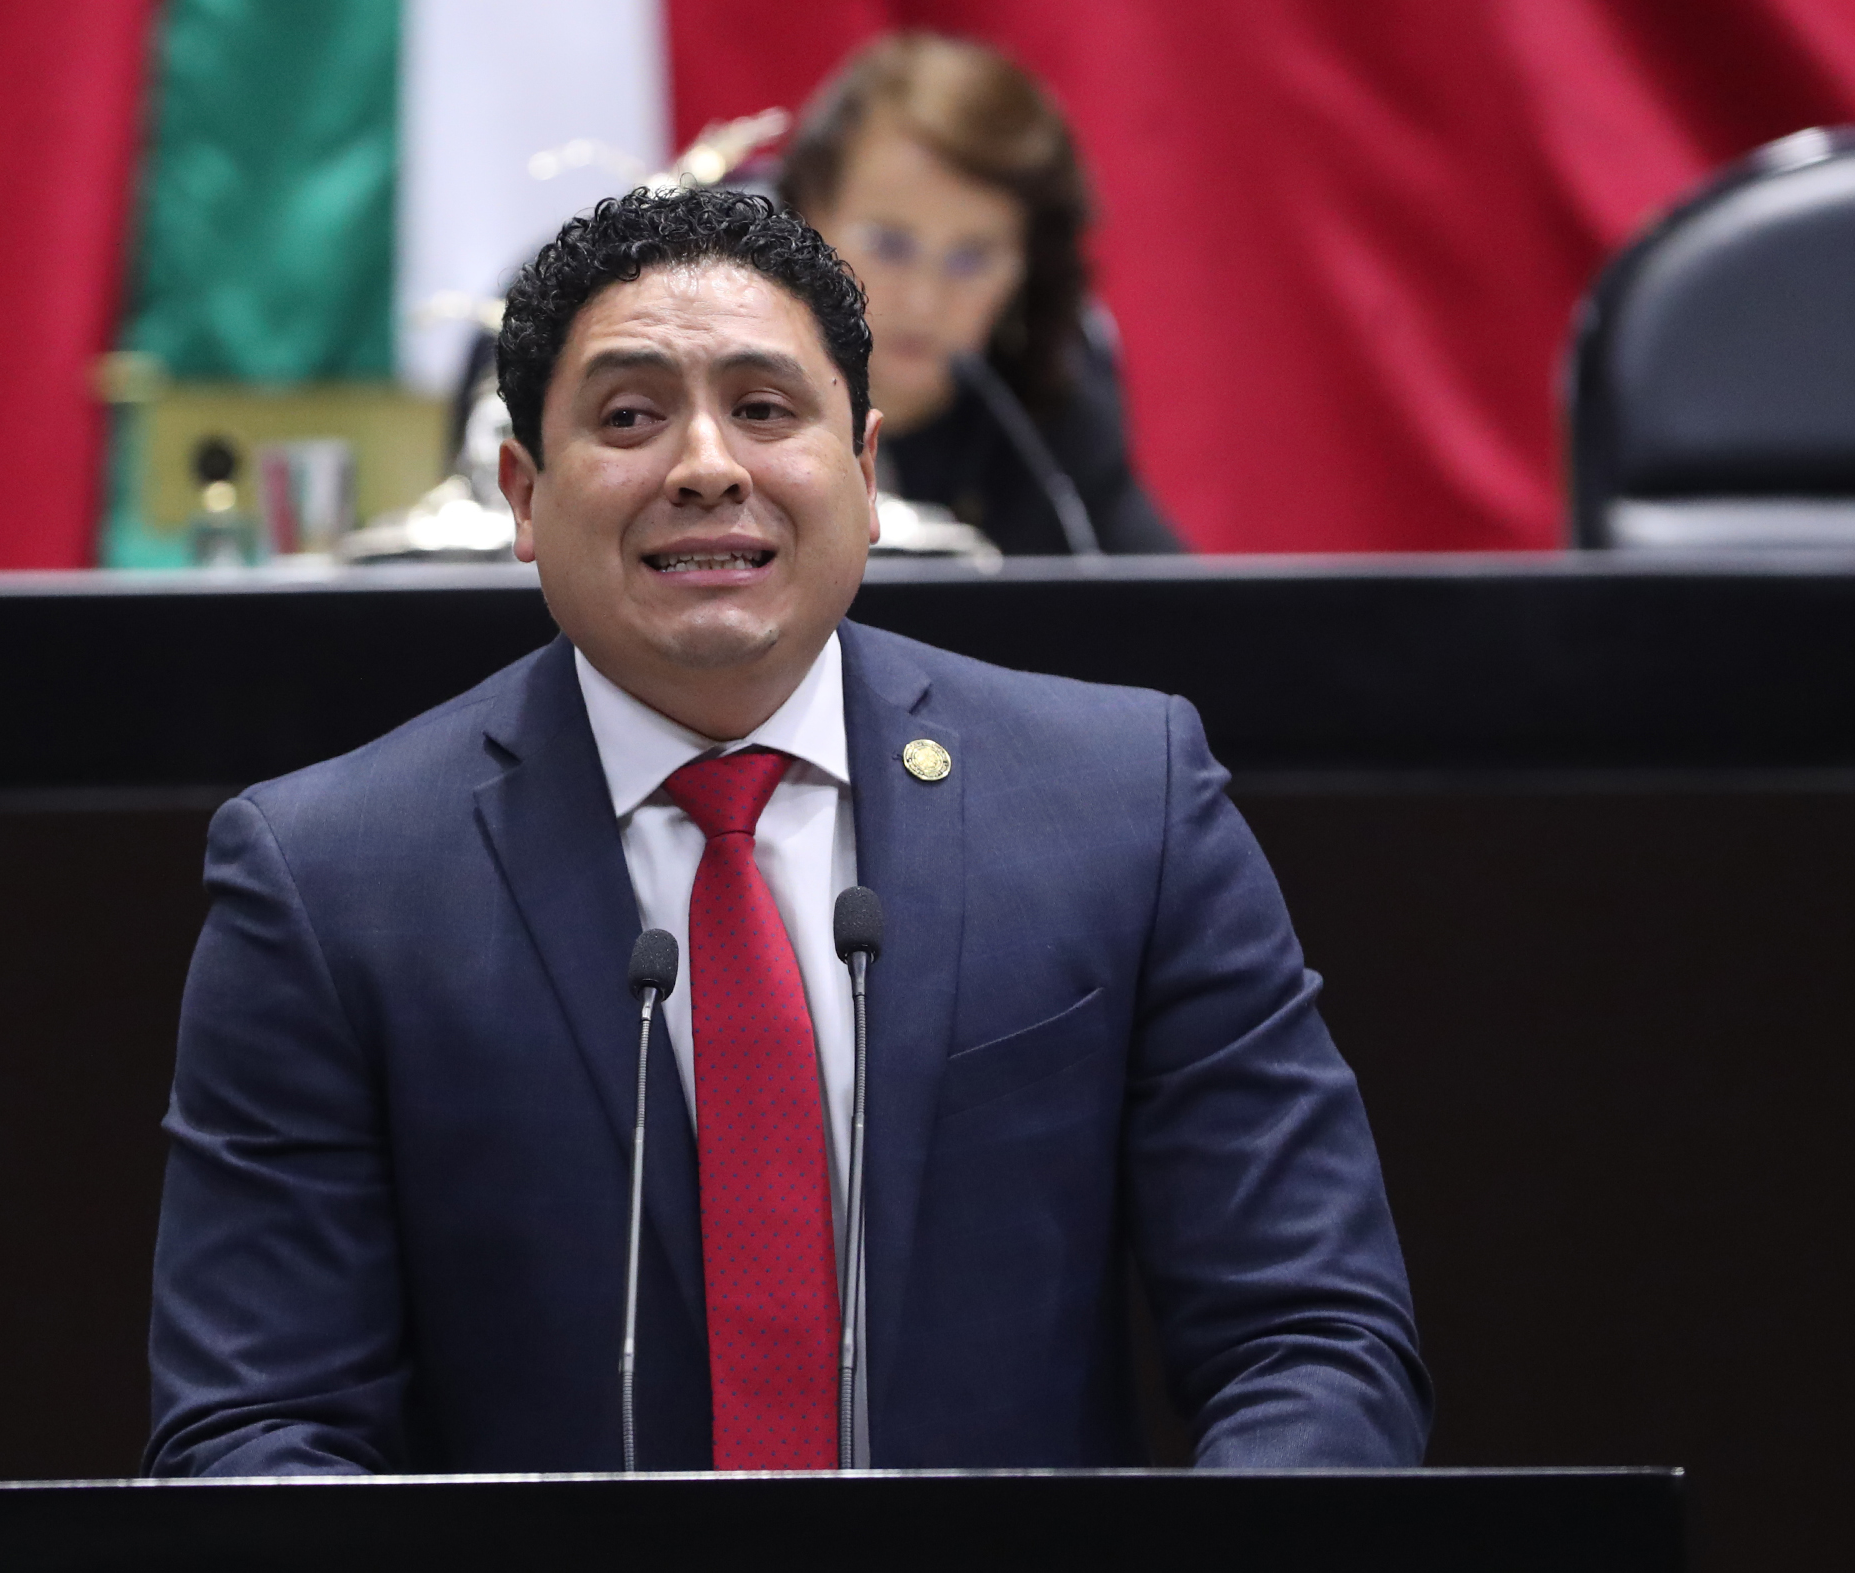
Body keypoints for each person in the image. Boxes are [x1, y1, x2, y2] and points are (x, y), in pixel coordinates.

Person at [145, 187, 1427, 1475]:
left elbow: (1311, 1336)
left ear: (864, 477)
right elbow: (256, 1427)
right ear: (523, 495)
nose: (707, 466)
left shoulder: (1121, 802)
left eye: (763, 409)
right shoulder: (333, 880)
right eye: (630, 417)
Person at [780, 32, 1183, 555]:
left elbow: (1171, 599)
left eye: (971, 260)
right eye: (889, 246)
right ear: (806, 218)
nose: (923, 302)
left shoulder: (1047, 411)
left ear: (1026, 268)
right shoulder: (718, 395)